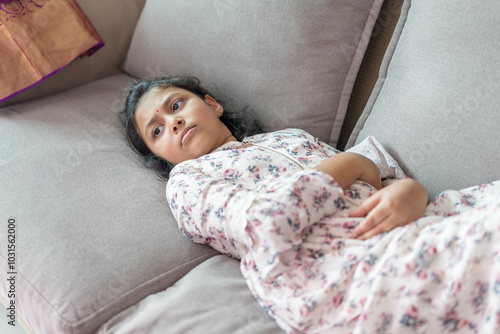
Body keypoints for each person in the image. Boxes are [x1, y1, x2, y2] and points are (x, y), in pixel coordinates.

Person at [120, 76, 430, 332]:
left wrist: (412, 190)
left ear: (212, 104)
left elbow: (378, 177)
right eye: (157, 130)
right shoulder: (187, 182)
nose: (173, 122)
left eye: (176, 105)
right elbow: (268, 222)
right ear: (160, 157)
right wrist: (353, 163)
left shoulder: (289, 137)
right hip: (340, 272)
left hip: (409, 228)